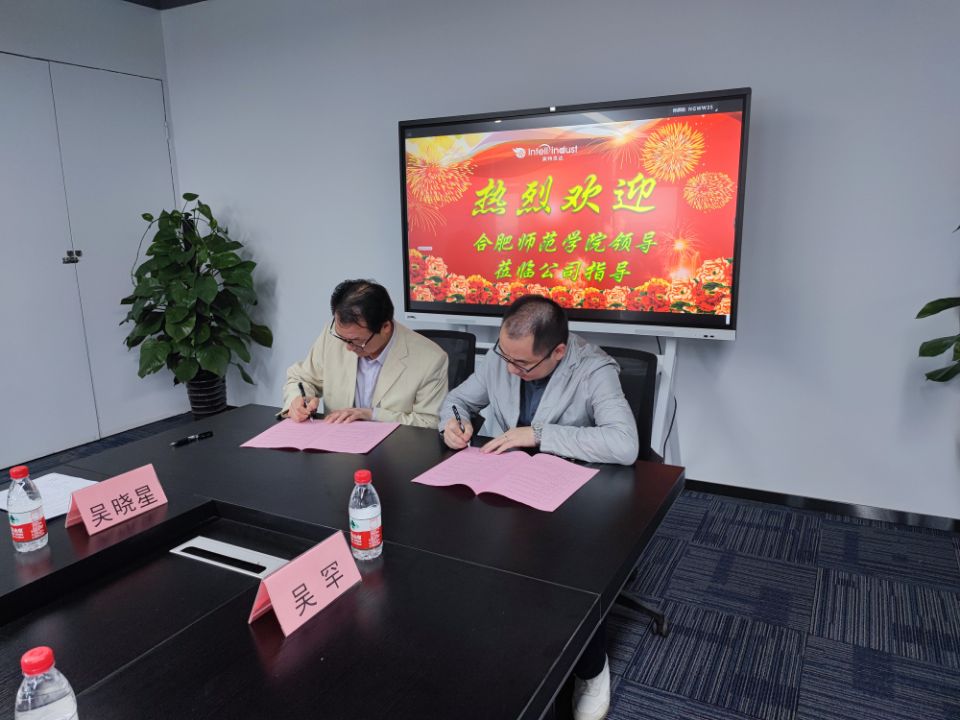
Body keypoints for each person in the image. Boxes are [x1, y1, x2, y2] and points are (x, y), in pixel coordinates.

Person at [438, 295, 638, 720]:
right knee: (456, 538)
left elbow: (624, 443)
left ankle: (592, 668)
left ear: (558, 352)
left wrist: (540, 434)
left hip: (571, 491)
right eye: (505, 356)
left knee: (571, 571)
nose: (510, 369)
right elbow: (458, 400)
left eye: (522, 364)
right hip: (508, 481)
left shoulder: (593, 369)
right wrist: (452, 423)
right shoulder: (503, 356)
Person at [282, 279, 448, 428]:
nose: (348, 347)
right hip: (336, 444)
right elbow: (301, 378)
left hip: (394, 448)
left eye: (357, 340)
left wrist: (373, 415)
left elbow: (429, 423)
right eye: (342, 338)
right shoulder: (333, 336)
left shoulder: (431, 359)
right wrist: (298, 401)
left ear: (385, 327)